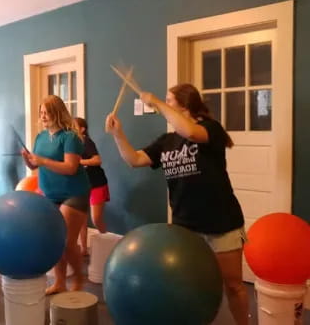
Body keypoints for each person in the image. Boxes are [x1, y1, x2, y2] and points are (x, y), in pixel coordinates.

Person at [105, 83, 249, 325]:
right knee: (191, 285)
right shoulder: (167, 141)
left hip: (221, 223)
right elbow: (134, 159)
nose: (164, 104)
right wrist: (118, 135)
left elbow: (191, 133)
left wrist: (155, 102)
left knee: (233, 285)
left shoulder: (209, 129)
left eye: (169, 100)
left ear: (185, 105)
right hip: (185, 226)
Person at [22, 95, 90, 295]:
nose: (43, 116)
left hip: (74, 192)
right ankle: (60, 282)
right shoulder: (40, 137)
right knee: (55, 240)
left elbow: (70, 167)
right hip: (50, 193)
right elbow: (36, 165)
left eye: (47, 112)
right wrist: (29, 160)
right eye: (41, 113)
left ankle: (78, 279)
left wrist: (41, 160)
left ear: (58, 113)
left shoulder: (70, 137)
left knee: (67, 241)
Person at [73, 117, 110, 256]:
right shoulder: (72, 143)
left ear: (82, 129)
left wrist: (80, 162)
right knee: (81, 218)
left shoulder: (85, 141)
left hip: (97, 184)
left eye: (74, 125)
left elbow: (97, 160)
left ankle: (107, 243)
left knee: (96, 219)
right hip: (82, 185)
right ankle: (84, 249)